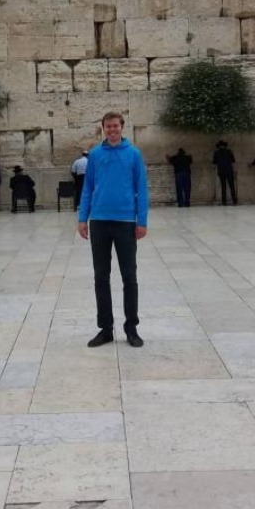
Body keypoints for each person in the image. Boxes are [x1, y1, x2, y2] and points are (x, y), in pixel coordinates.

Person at [78, 112, 149, 348]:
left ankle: (132, 328)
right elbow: (88, 188)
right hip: (99, 221)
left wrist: (142, 221)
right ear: (103, 128)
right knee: (101, 276)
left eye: (115, 126)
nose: (112, 130)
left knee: (129, 276)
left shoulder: (133, 154)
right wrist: (83, 218)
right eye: (108, 126)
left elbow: (142, 188)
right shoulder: (95, 155)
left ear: (122, 127)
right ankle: (106, 329)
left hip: (125, 222)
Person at [212, 140, 237, 205]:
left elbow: (214, 162)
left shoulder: (216, 152)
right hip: (229, 170)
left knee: (223, 186)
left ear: (219, 146)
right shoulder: (229, 151)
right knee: (232, 186)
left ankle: (224, 202)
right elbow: (233, 160)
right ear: (225, 146)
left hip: (221, 171)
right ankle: (234, 201)